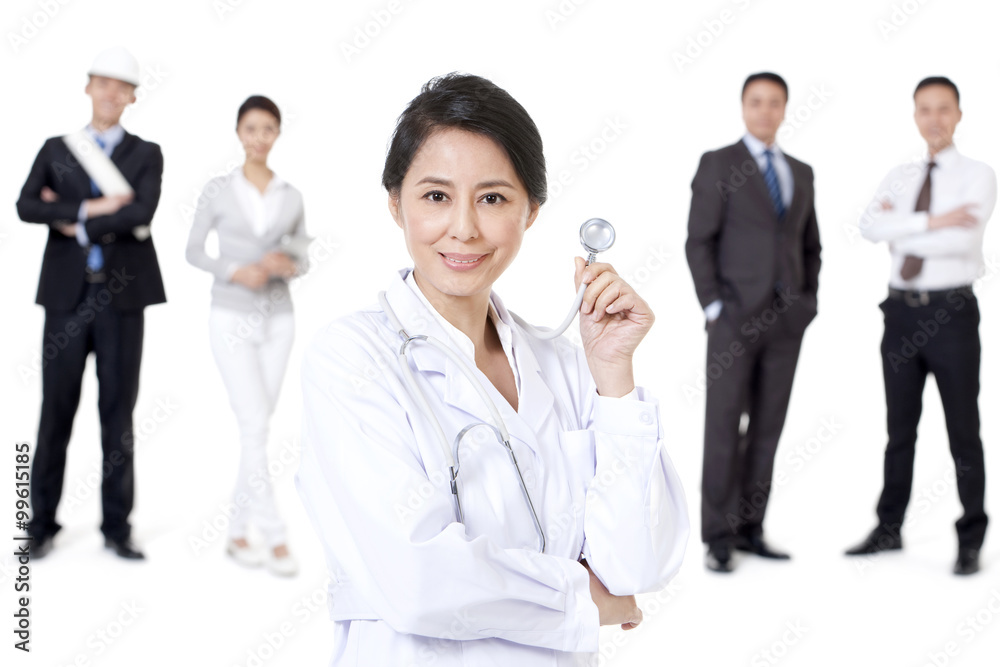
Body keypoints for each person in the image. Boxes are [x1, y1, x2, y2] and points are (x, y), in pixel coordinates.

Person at [295, 73, 688, 665]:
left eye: (493, 197)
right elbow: (420, 583)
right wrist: (585, 597)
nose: (464, 228)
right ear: (394, 204)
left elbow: (637, 563)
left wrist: (613, 377)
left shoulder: (567, 366)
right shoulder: (351, 358)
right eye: (435, 196)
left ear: (531, 211)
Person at [16, 46, 166, 560]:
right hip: (65, 296)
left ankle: (117, 527)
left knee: (117, 413)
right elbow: (25, 205)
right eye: (101, 82)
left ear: (130, 97)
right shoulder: (57, 148)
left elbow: (142, 210)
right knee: (53, 410)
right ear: (88, 87)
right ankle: (39, 523)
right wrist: (99, 207)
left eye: (119, 86)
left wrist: (73, 216)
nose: (109, 93)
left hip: (122, 297)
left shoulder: (146, 153)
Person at [847, 77, 995, 576]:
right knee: (899, 428)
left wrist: (905, 226)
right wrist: (931, 222)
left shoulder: (978, 175)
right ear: (915, 116)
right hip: (900, 312)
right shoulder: (900, 175)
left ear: (958, 115)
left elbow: (964, 242)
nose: (934, 118)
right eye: (924, 109)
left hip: (951, 314)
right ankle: (889, 528)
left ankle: (970, 534)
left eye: (943, 109)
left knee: (962, 429)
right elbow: (868, 227)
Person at [685, 72, 821, 573]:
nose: (765, 111)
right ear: (744, 106)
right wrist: (715, 306)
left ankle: (751, 528)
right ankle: (717, 535)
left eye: (774, 103)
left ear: (785, 108)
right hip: (734, 320)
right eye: (756, 102)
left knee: (767, 428)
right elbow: (698, 240)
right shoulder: (719, 164)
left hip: (787, 322)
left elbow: (810, 245)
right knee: (723, 426)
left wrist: (809, 303)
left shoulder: (800, 172)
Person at [186, 95, 308, 577]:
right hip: (231, 316)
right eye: (252, 128)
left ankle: (238, 534)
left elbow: (303, 256)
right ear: (239, 132)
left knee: (255, 427)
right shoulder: (218, 189)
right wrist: (237, 270)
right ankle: (275, 535)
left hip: (279, 319)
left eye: (269, 129)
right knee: (255, 423)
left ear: (277, 135)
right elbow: (194, 250)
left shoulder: (291, 194)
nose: (260, 137)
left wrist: (288, 264)